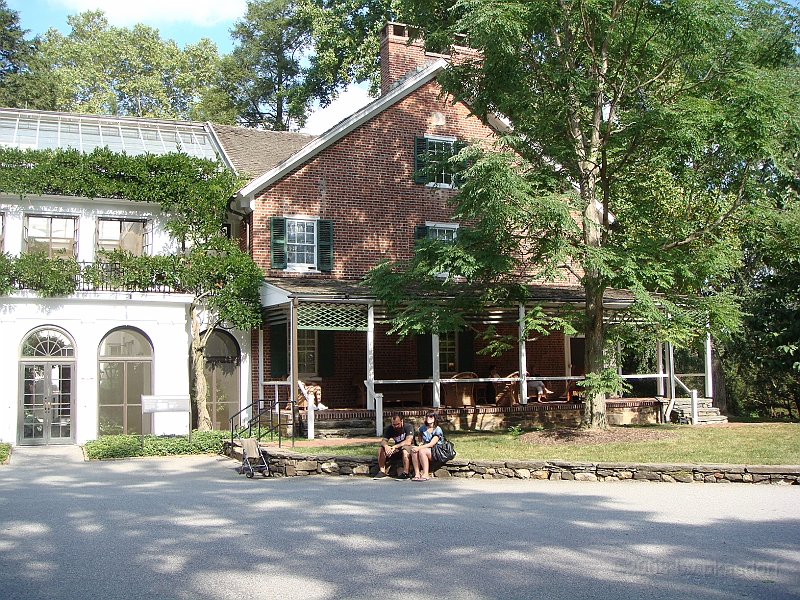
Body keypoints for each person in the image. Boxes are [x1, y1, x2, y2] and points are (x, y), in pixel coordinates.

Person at [374, 412, 415, 479]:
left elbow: (408, 441)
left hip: (409, 448)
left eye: (397, 424)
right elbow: (384, 440)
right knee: (381, 449)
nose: (396, 426)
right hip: (398, 449)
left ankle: (406, 473)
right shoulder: (390, 428)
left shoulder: (408, 427)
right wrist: (386, 447)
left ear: (402, 421)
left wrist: (395, 446)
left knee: (405, 450)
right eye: (394, 424)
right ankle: (382, 471)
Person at [410, 410, 444, 481]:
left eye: (431, 417)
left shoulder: (437, 430)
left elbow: (432, 444)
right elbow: (420, 434)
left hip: (435, 450)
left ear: (435, 418)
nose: (428, 418)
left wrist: (419, 447)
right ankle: (417, 474)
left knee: (422, 451)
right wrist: (420, 442)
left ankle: (426, 474)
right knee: (414, 451)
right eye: (427, 416)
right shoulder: (423, 427)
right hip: (425, 447)